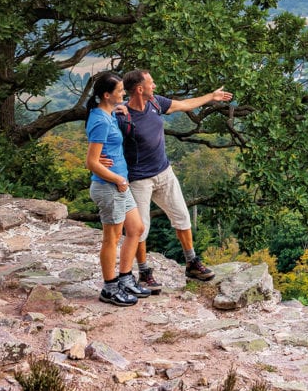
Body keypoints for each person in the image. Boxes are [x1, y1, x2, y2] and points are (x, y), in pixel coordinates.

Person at [120, 69, 233, 289]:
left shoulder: (156, 103)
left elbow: (184, 104)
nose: (155, 86)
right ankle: (144, 273)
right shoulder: (122, 115)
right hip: (138, 179)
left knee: (182, 217)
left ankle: (191, 263)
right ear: (139, 89)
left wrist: (211, 97)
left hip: (164, 172)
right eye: (151, 83)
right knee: (140, 228)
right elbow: (106, 138)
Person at [85, 71, 153, 306]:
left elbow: (113, 108)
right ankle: (110, 288)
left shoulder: (107, 112)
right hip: (109, 186)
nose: (124, 94)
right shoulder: (100, 121)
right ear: (106, 95)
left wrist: (118, 108)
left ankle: (125, 278)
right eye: (120, 91)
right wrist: (117, 179)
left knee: (136, 228)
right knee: (111, 239)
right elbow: (91, 162)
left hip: (118, 185)